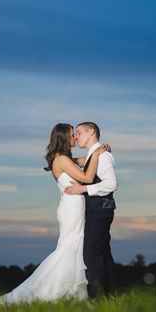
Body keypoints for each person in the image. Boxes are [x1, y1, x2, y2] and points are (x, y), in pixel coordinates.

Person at [0, 123, 105, 304]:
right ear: (63, 138)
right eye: (72, 135)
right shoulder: (61, 159)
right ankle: (49, 289)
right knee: (68, 248)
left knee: (75, 246)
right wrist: (98, 153)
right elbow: (87, 178)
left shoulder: (65, 158)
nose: (75, 138)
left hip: (74, 205)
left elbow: (85, 161)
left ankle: (73, 290)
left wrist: (97, 152)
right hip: (71, 208)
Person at [63, 122, 117, 298]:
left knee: (91, 254)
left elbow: (111, 184)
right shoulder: (94, 155)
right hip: (97, 210)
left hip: (101, 209)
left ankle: (96, 298)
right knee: (102, 253)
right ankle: (107, 295)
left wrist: (83, 189)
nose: (76, 136)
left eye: (79, 132)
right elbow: (75, 162)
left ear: (91, 132)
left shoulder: (103, 156)